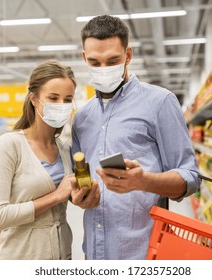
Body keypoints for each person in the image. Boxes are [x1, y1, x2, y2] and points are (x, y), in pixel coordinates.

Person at [70, 15, 201, 260]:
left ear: (128, 55)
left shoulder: (160, 103)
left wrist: (144, 181)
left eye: (113, 60)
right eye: (94, 63)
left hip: (142, 254)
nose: (104, 69)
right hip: (95, 254)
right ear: (84, 58)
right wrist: (79, 196)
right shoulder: (82, 117)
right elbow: (80, 177)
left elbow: (190, 177)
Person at [0, 60, 100, 260]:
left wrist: (83, 195)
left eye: (67, 100)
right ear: (34, 99)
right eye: (53, 98)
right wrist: (56, 195)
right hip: (23, 256)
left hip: (62, 256)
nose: (61, 106)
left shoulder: (65, 149)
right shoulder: (10, 145)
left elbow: (69, 197)